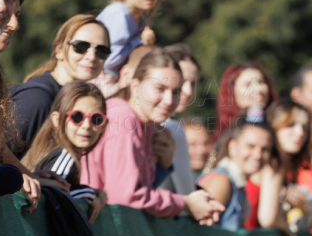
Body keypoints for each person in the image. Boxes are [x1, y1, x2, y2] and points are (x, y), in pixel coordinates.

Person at [81, 49, 224, 224]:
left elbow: (138, 191)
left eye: (176, 92)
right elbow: (126, 197)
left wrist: (163, 166)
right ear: (135, 86)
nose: (169, 100)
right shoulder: (124, 118)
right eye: (159, 88)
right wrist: (185, 203)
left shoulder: (147, 125)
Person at [11, 15, 110, 156]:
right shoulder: (37, 99)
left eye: (101, 51)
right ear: (59, 49)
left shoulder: (77, 100)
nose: (92, 56)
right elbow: (0, 159)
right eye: (81, 47)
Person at [22, 81, 109, 222]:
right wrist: (88, 194)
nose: (86, 126)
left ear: (104, 125)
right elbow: (53, 196)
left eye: (96, 119)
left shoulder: (52, 151)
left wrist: (90, 191)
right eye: (77, 117)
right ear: (57, 119)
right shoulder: (64, 155)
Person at [249, 99, 312, 233]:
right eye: (290, 125)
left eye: (304, 127)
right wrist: (287, 231)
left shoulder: (279, 164)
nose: (300, 133)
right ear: (273, 126)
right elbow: (267, 219)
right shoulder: (273, 163)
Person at [197, 111, 273, 232]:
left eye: (265, 149)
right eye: (250, 146)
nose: (258, 155)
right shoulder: (221, 180)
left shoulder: (237, 184)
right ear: (232, 147)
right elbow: (198, 230)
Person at [95, 0, 160, 94]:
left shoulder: (138, 18)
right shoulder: (120, 14)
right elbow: (109, 60)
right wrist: (140, 41)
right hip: (99, 84)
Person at [157, 44, 200, 195]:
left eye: (193, 83)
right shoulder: (172, 129)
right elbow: (187, 196)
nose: (188, 91)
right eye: (181, 81)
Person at [213, 61, 279, 143]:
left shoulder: (280, 129)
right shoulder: (223, 136)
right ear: (231, 92)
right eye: (248, 85)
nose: (258, 89)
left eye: (261, 82)